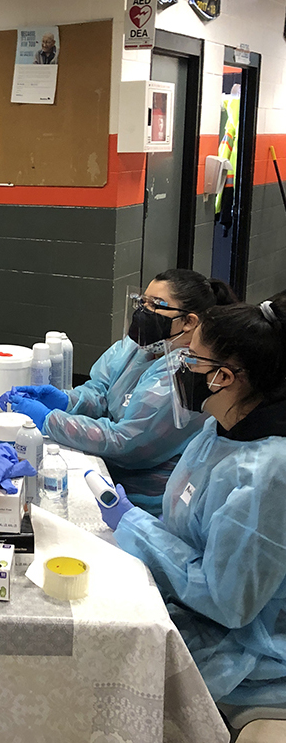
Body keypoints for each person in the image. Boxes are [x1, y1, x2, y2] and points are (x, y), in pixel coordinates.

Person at [98, 296, 286, 707]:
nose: (178, 368)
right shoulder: (219, 428)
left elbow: (227, 602)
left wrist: (134, 526)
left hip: (244, 657)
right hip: (191, 610)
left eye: (190, 360)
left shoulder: (269, 473)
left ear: (223, 376)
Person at [3, 270, 237, 512]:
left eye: (155, 305)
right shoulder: (139, 347)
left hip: (142, 499)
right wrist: (66, 401)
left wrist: (50, 419)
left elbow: (126, 442)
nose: (143, 311)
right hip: (106, 470)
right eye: (142, 302)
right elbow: (103, 390)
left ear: (189, 322)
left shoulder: (187, 373)